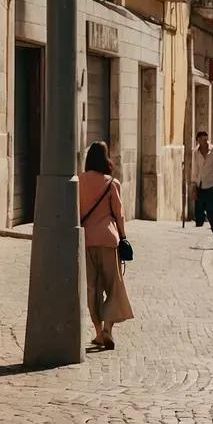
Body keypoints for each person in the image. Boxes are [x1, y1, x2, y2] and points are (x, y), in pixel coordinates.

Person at [80, 141, 133, 350]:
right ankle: (108, 330)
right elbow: (118, 214)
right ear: (106, 158)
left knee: (92, 288)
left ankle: (97, 331)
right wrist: (124, 236)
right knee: (113, 286)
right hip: (109, 240)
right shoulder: (113, 183)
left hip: (87, 239)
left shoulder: (79, 180)